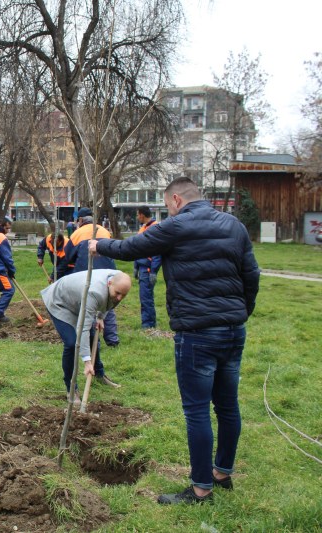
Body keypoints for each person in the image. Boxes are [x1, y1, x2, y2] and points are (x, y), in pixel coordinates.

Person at [89, 176, 260, 504]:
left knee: (196, 410)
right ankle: (221, 474)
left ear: (177, 201)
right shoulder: (234, 226)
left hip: (197, 333)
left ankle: (200, 489)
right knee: (227, 405)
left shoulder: (177, 225)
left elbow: (132, 248)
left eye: (168, 205)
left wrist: (99, 246)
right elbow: (251, 275)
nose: (168, 210)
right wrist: (241, 312)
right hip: (233, 330)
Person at [40, 269, 131, 406]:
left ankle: (99, 374)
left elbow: (111, 302)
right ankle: (71, 388)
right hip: (59, 301)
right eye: (117, 293)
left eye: (123, 295)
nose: (119, 297)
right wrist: (87, 361)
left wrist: (100, 317)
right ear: (109, 283)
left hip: (78, 299)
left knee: (93, 335)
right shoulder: (95, 292)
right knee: (71, 343)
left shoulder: (119, 280)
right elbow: (83, 328)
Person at [58, 207, 121, 352]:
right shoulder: (104, 231)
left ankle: (93, 340)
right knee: (108, 304)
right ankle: (112, 340)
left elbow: (67, 256)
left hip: (87, 274)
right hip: (107, 273)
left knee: (89, 306)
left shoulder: (77, 234)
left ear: (80, 220)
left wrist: (58, 274)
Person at [133, 206, 161, 329]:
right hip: (142, 267)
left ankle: (148, 324)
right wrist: (136, 266)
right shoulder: (143, 228)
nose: (136, 217)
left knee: (146, 297)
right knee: (144, 297)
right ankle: (147, 323)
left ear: (142, 215)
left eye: (137, 214)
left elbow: (157, 252)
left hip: (148, 269)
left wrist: (153, 271)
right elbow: (138, 248)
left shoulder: (154, 228)